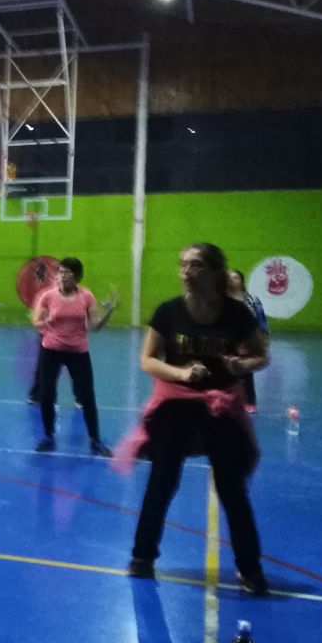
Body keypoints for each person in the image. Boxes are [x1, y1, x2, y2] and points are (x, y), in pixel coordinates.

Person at [123, 243, 270, 594]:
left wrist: (241, 364)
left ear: (216, 272)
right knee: (162, 481)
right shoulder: (169, 312)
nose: (187, 272)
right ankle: (142, 556)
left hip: (221, 409)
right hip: (175, 407)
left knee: (231, 488)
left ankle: (250, 568)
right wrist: (181, 373)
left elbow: (261, 356)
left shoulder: (237, 314)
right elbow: (147, 359)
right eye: (183, 265)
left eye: (197, 265)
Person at [30, 257, 116, 455]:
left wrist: (109, 312)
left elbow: (95, 326)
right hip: (51, 351)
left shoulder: (86, 296)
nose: (62, 276)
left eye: (66, 273)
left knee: (87, 396)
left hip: (78, 352)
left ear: (76, 276)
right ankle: (48, 436)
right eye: (60, 272)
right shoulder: (48, 296)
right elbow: (36, 322)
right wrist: (47, 321)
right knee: (47, 395)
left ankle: (95, 440)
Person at [227, 269, 269, 411]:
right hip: (227, 340)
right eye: (228, 278)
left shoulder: (252, 300)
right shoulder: (220, 300)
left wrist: (264, 338)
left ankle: (249, 402)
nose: (231, 280)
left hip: (248, 340)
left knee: (246, 371)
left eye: (235, 277)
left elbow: (261, 320)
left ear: (241, 281)